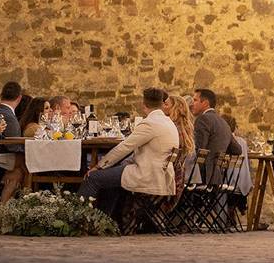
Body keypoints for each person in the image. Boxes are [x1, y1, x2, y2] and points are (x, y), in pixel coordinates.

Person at [79, 88, 179, 216]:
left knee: (92, 178)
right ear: (161, 103)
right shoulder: (168, 122)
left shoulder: (150, 123)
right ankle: (103, 221)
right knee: (109, 180)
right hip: (162, 174)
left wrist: (98, 166)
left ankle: (79, 219)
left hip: (148, 174)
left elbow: (124, 147)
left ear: (144, 104)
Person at [190, 88, 241, 180]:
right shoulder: (223, 122)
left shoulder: (202, 119)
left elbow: (200, 150)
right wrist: (218, 157)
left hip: (202, 178)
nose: (191, 104)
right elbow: (237, 150)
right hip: (217, 178)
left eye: (195, 100)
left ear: (205, 103)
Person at [162, 93, 195, 203]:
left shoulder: (171, 130)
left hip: (165, 183)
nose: (161, 106)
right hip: (178, 181)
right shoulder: (184, 129)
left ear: (174, 108)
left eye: (166, 104)